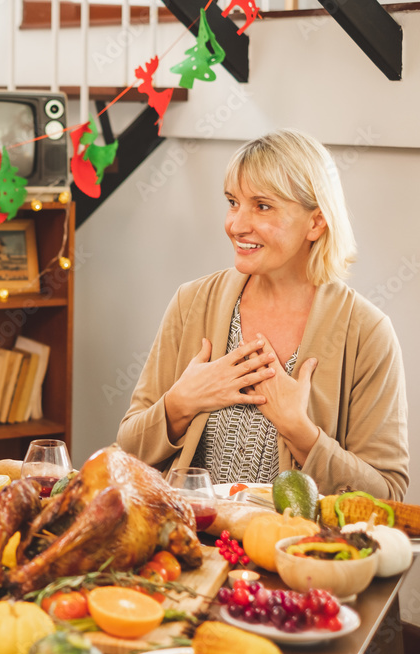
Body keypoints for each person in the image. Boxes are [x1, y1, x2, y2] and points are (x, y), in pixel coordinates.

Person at [117, 129, 408, 501]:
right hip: (194, 544)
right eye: (232, 202)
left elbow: (389, 495)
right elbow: (129, 448)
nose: (236, 225)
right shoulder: (191, 303)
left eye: (262, 206)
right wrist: (181, 403)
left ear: (315, 223)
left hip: (296, 552)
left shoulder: (367, 332)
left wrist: (300, 431)